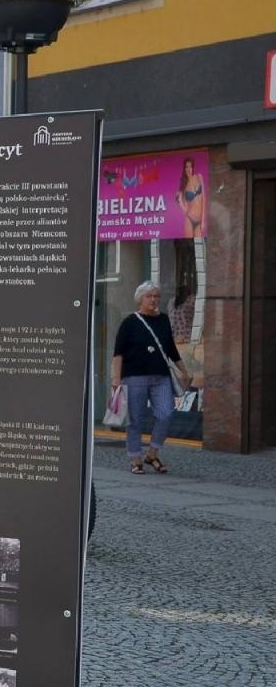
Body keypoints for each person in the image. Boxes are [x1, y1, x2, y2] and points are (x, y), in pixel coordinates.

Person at [111, 280, 189, 474]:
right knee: (135, 420)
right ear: (140, 299)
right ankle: (135, 459)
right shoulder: (130, 322)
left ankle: (152, 454)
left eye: (156, 296)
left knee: (166, 414)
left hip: (161, 376)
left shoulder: (163, 319)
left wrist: (183, 370)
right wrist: (116, 378)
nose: (153, 300)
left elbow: (170, 348)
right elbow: (118, 353)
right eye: (149, 296)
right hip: (134, 377)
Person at [176, 157, 206, 239]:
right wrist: (181, 204)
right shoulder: (184, 187)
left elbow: (204, 198)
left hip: (199, 220)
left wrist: (203, 220)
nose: (188, 169)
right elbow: (185, 208)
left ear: (193, 167)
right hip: (189, 219)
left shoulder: (199, 177)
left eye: (190, 166)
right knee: (188, 247)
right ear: (184, 169)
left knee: (198, 247)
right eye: (186, 167)